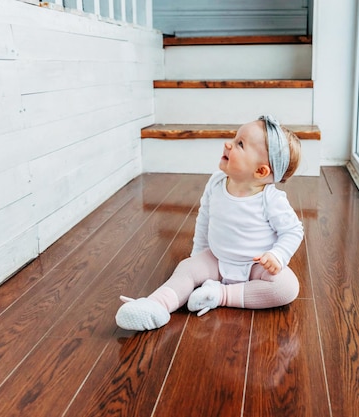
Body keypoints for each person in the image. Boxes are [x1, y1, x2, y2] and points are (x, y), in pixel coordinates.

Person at [115, 115, 304, 331]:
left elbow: (293, 230)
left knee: (286, 287)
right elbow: (204, 218)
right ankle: (156, 305)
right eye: (235, 138)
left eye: (239, 144)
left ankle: (220, 295)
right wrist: (198, 255)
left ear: (260, 171)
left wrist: (277, 255)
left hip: (254, 265)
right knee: (186, 268)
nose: (228, 143)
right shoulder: (216, 183)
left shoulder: (271, 199)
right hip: (217, 258)